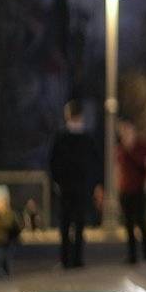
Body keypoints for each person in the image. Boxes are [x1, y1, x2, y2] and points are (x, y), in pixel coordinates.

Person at [48, 100, 101, 269]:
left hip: (65, 187)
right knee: (79, 223)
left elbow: (53, 163)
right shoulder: (88, 139)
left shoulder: (60, 138)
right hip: (82, 187)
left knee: (65, 224)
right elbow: (95, 164)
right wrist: (93, 185)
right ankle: (78, 259)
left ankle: (65, 259)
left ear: (67, 115)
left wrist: (57, 181)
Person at [115, 118, 146, 264]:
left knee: (141, 220)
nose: (126, 134)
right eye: (123, 132)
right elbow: (117, 170)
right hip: (125, 190)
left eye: (128, 131)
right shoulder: (120, 149)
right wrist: (117, 189)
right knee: (128, 223)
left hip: (139, 189)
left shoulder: (144, 147)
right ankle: (132, 254)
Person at [0, 190, 23, 278]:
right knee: (1, 262)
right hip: (0, 241)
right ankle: (4, 278)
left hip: (7, 242)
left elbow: (8, 225)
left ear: (3, 205)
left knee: (2, 261)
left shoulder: (9, 214)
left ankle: (5, 278)